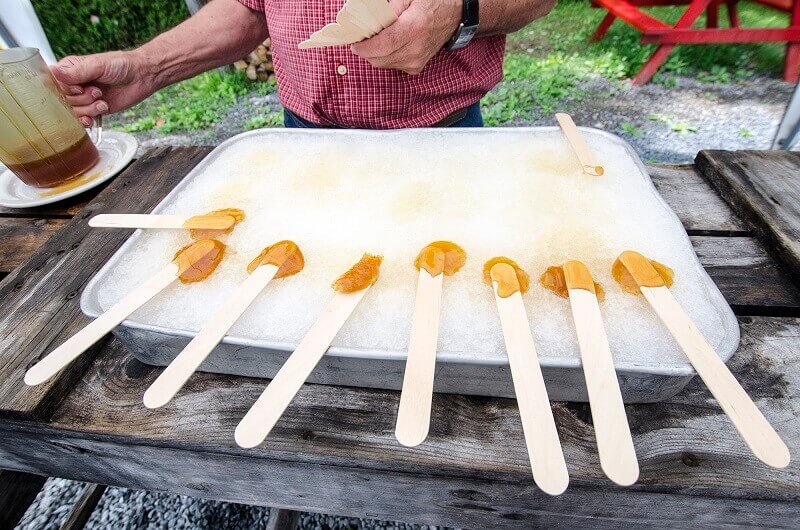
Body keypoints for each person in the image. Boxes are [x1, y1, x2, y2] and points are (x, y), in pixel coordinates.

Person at [52, 0, 554, 129]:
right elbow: (252, 7)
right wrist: (146, 67)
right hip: (304, 134)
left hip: (442, 132)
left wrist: (457, 10)